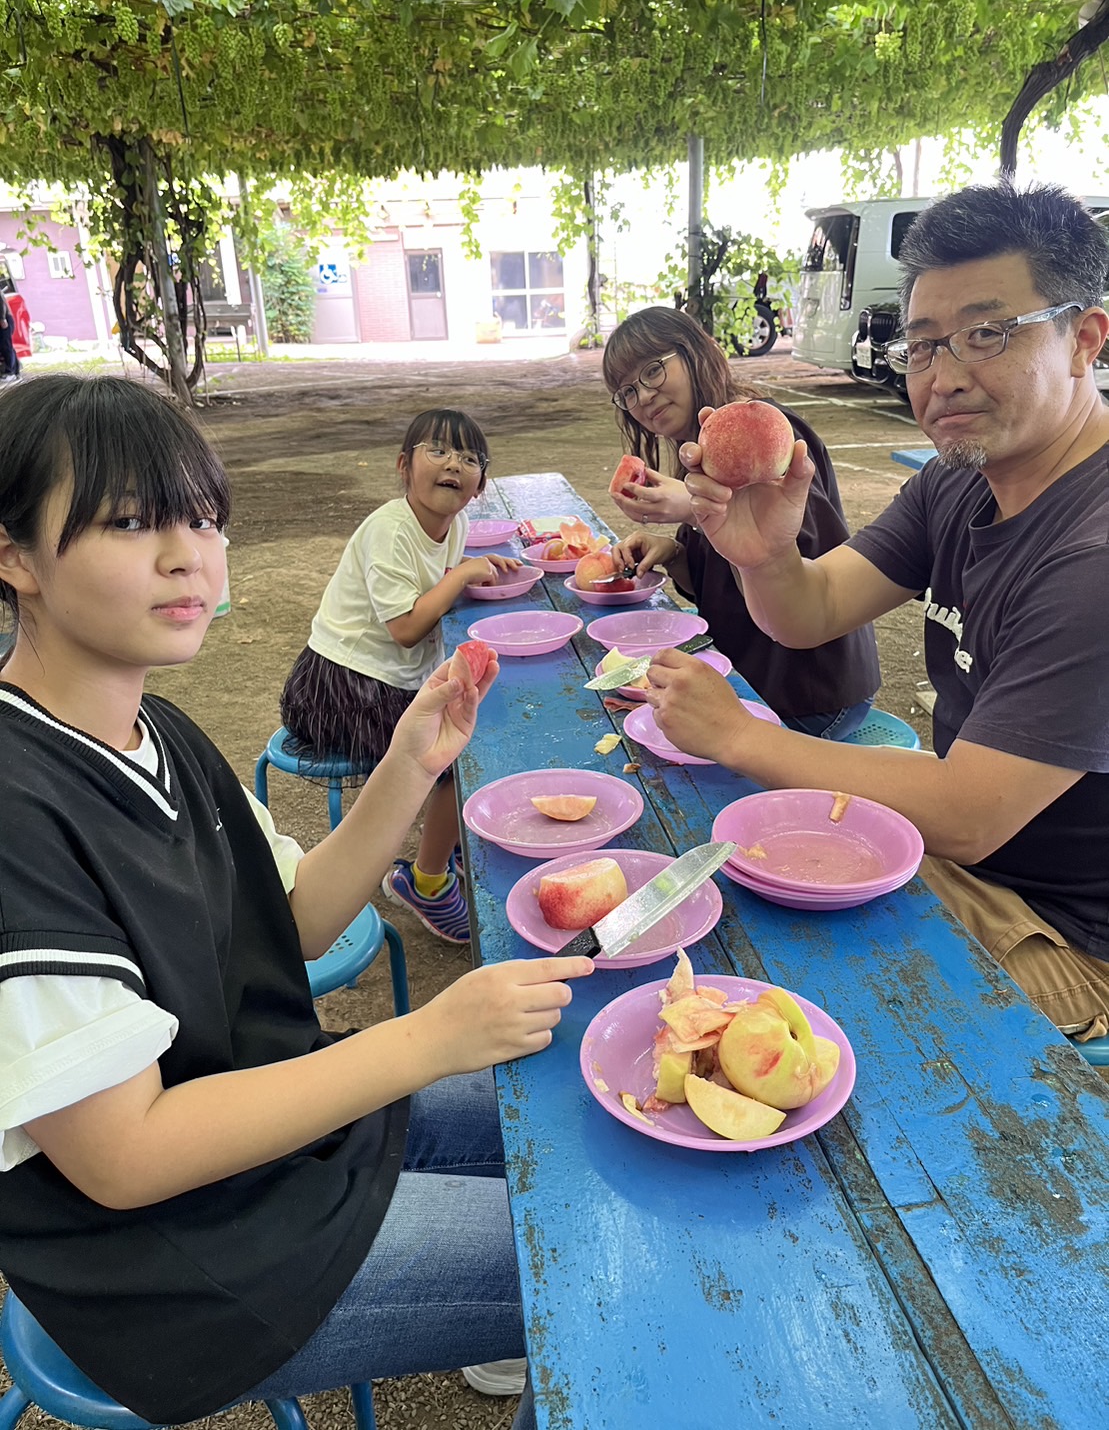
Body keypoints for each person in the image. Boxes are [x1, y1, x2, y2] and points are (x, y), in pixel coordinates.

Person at [0, 374, 592, 1427]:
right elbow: (125, 1157)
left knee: (568, 1115)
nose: (190, 555)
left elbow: (296, 920)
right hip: (180, 1263)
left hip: (273, 1145)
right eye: (133, 523)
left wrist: (411, 764)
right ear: (14, 557)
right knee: (593, 1260)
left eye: (202, 518)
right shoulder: (16, 806)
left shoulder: (160, 731)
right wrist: (426, 1038)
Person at [646, 181, 1109, 1041]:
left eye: (985, 334)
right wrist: (766, 554)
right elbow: (811, 609)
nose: (944, 376)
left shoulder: (1092, 555)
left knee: (767, 1015)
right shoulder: (957, 482)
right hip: (959, 859)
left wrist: (741, 736)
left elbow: (970, 814)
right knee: (708, 932)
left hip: (1066, 934)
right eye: (923, 344)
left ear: (1083, 339)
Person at [280, 407, 518, 945]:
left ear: (480, 485)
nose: (454, 464)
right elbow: (406, 628)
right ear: (404, 466)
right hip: (338, 687)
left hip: (385, 680)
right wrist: (460, 577)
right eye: (438, 451)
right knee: (457, 751)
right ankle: (427, 883)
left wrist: (468, 576)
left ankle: (444, 842)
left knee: (482, 716)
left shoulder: (453, 526)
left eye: (470, 458)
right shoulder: (389, 529)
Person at [602, 307, 880, 738]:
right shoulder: (699, 449)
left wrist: (692, 511)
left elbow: (808, 567)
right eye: (627, 391)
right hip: (748, 681)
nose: (644, 397)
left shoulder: (760, 429)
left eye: (653, 371)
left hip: (809, 693)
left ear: (695, 353)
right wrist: (674, 553)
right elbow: (722, 583)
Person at [0, 291, 21, 380]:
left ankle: (10, 372)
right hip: (3, 319)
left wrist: (2, 318)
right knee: (6, 346)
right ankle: (16, 372)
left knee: (5, 346)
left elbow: (1, 302)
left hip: (4, 319)